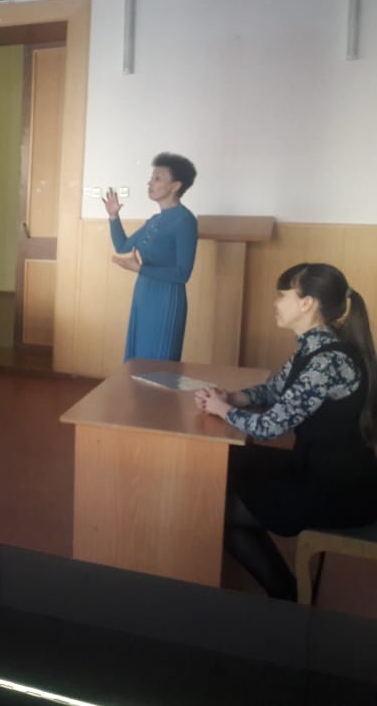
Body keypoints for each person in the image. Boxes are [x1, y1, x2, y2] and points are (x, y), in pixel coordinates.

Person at [195, 263, 377, 600]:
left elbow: (269, 427)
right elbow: (274, 390)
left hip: (340, 488)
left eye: (282, 296)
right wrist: (233, 398)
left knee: (217, 510)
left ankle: (285, 595)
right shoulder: (313, 346)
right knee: (230, 462)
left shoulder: (327, 361)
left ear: (307, 303)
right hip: (316, 467)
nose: (276, 303)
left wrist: (223, 410)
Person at [103, 152, 198, 361]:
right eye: (151, 178)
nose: (150, 183)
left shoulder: (185, 221)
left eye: (157, 178)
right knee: (137, 360)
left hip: (166, 298)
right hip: (144, 294)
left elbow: (182, 274)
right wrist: (113, 216)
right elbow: (122, 245)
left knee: (158, 364)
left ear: (175, 186)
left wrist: (140, 269)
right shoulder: (154, 220)